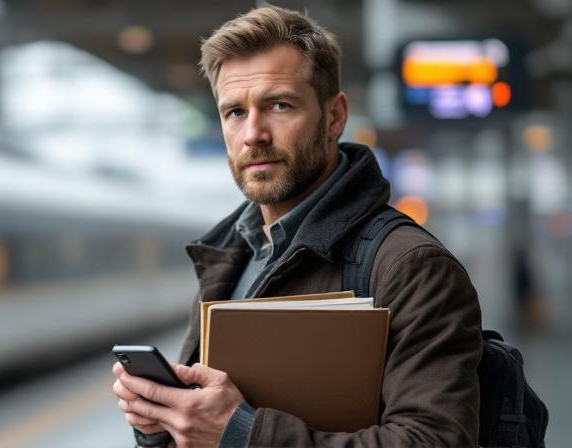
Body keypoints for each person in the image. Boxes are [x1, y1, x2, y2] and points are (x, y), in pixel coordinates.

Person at [112, 5, 482, 447]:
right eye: (234, 112)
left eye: (279, 105)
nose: (254, 134)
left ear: (335, 117)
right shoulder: (229, 256)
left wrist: (243, 435)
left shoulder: (410, 266)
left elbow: (434, 441)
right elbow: (206, 432)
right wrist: (160, 423)